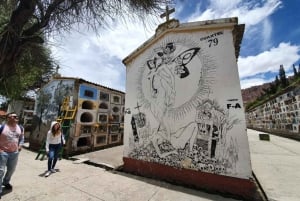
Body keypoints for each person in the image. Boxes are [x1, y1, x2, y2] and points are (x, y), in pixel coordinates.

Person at [0, 112, 24, 198]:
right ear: (8, 118)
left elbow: (21, 138)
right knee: (1, 171)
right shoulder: (2, 127)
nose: (16, 117)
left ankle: (6, 182)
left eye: (17, 116)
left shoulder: (20, 127)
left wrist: (20, 145)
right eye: (14, 116)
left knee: (11, 170)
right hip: (3, 153)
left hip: (14, 153)